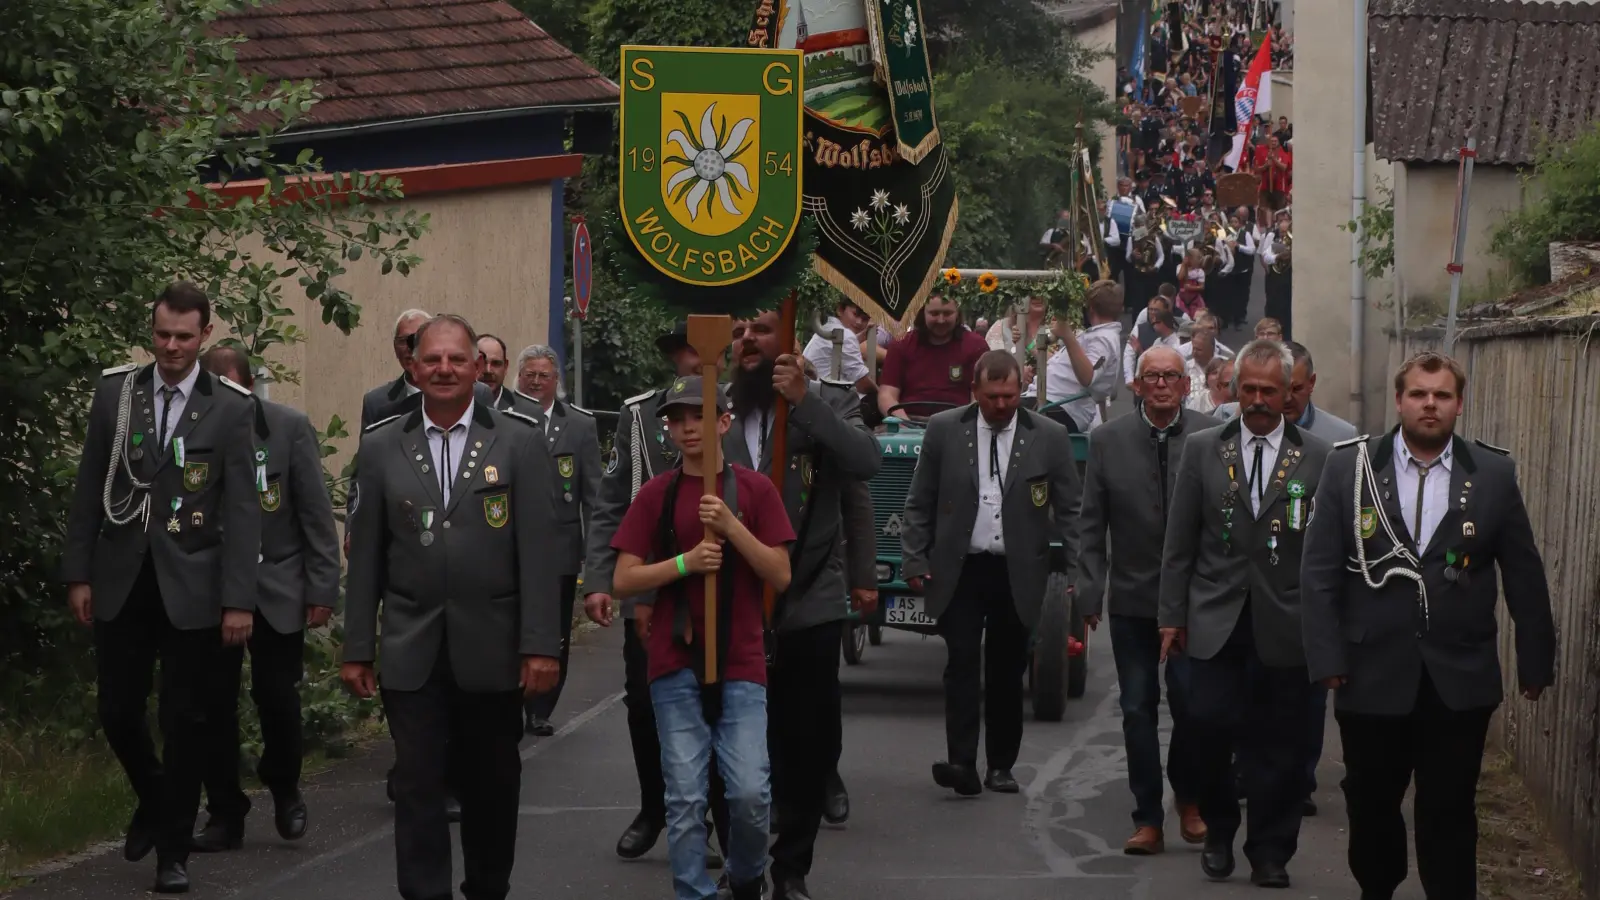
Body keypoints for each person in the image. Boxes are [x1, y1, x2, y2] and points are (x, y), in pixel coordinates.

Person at [1301, 352, 1556, 900]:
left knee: (1449, 806)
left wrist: (1536, 660)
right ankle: (1379, 888)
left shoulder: (1491, 474)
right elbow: (1319, 571)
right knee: (1371, 802)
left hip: (1458, 675)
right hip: (1370, 672)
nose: (1430, 404)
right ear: (1400, 401)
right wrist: (1325, 657)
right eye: (1418, 394)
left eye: (1441, 395)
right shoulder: (1351, 468)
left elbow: (1524, 571)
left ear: (1459, 404)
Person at [342, 314, 563, 900]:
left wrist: (542, 644)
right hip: (411, 648)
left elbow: (541, 553)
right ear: (412, 368)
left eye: (456, 360)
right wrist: (358, 647)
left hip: (493, 647)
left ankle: (488, 887)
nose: (443, 369)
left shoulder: (519, 440)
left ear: (479, 370)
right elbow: (364, 557)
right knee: (416, 784)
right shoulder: (380, 445)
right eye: (431, 360)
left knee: (492, 784)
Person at [62, 282, 263, 893]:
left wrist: (238, 600)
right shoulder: (116, 394)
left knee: (186, 720)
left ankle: (173, 851)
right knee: (118, 711)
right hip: (123, 576)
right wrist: (78, 573)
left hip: (195, 585)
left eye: (183, 336)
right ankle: (154, 796)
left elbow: (243, 510)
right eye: (161, 335)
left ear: (205, 335)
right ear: (151, 334)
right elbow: (89, 485)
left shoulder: (229, 405)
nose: (171, 346)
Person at [611, 376, 796, 900]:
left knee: (749, 793)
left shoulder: (756, 490)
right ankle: (694, 892)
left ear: (723, 422)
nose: (688, 427)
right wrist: (683, 564)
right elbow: (624, 578)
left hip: (740, 660)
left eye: (699, 416)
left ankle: (743, 878)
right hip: (674, 661)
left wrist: (733, 528)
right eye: (677, 419)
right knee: (686, 797)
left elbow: (780, 575)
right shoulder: (656, 495)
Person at [1158, 339, 1333, 888]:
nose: (1257, 400)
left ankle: (1270, 850)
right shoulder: (1204, 449)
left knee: (1280, 745)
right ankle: (1218, 829)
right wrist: (1171, 615)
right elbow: (1179, 541)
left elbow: (1328, 553)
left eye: (1269, 391)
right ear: (1234, 391)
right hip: (1215, 618)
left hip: (1287, 622)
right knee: (1206, 729)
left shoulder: (1321, 457)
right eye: (1248, 389)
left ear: (1290, 395)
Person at [726, 310, 881, 900]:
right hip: (731, 599)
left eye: (761, 330)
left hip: (810, 597)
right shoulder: (712, 408)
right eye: (739, 332)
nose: (748, 341)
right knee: (735, 745)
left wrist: (806, 403)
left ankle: (792, 867)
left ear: (790, 341)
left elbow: (865, 465)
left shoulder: (827, 403)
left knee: (804, 741)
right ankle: (739, 862)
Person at [901, 351, 1082, 797]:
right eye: (992, 397)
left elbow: (1072, 510)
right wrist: (914, 558)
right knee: (961, 661)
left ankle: (1001, 765)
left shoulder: (1050, 436)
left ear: (1022, 390)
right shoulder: (945, 430)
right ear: (974, 393)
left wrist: (1079, 570)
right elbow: (919, 499)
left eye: (1010, 396)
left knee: (1006, 668)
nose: (1001, 406)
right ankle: (961, 761)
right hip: (960, 567)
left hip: (1017, 569)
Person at [584, 322, 731, 868]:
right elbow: (613, 500)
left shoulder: (741, 409)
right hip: (651, 584)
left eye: (704, 348)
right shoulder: (641, 413)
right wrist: (600, 578)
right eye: (686, 350)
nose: (695, 359)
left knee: (719, 705)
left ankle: (714, 819)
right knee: (644, 705)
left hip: (723, 584)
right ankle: (655, 808)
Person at [187, 347, 339, 853]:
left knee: (277, 698)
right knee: (212, 706)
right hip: (212, 591)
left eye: (232, 392)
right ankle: (225, 812)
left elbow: (316, 513)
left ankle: (285, 789)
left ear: (249, 388)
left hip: (277, 584)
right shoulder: (188, 433)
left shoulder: (288, 428)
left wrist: (322, 586)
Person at [1078, 346, 1217, 855]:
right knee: (1138, 708)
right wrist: (1090, 591)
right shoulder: (1107, 440)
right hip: (1133, 599)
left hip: (1195, 602)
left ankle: (1190, 798)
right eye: (1151, 377)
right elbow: (1091, 522)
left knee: (1193, 706)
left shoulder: (1210, 435)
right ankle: (1147, 816)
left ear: (1186, 385)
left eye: (1171, 377)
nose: (1161, 385)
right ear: (1136, 386)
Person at [514, 344, 602, 736]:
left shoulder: (580, 426)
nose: (535, 382)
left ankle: (540, 708)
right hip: (512, 549)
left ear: (556, 382)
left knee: (555, 632)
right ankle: (510, 699)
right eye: (529, 374)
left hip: (561, 551)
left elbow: (593, 497)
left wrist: (595, 560)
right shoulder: (503, 419)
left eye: (543, 375)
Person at [877, 294, 989, 419]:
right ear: (922, 312)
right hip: (908, 421)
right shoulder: (901, 345)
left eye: (947, 313)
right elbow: (887, 395)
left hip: (958, 424)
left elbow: (980, 397)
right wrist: (905, 424)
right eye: (934, 314)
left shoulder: (976, 346)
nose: (941, 320)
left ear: (957, 313)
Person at [1043, 280, 1124, 432]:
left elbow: (1088, 376)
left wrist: (1067, 336)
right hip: (1052, 401)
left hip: (1060, 408)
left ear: (1090, 308)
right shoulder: (1097, 334)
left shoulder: (1104, 339)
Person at [802, 301, 875, 395]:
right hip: (825, 400)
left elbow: (838, 345)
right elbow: (862, 384)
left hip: (811, 395)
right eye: (855, 314)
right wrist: (883, 395)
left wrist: (859, 338)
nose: (859, 322)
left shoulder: (827, 328)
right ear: (840, 310)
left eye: (865, 319)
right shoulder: (846, 335)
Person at [477, 333, 518, 410]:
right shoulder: (451, 406)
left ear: (505, 367)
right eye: (482, 363)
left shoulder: (527, 411)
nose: (488, 370)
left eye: (496, 363)